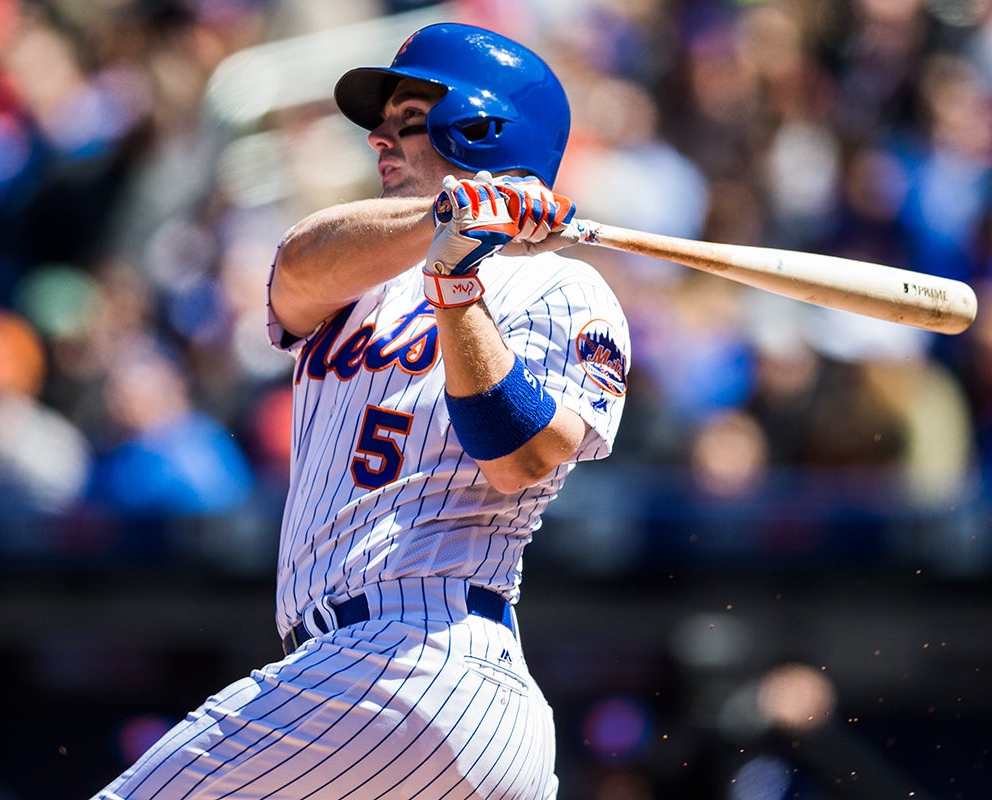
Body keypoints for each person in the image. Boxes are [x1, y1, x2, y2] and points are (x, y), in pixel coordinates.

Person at [92, 21, 631, 799]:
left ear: (482, 131)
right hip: (381, 687)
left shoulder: (565, 288)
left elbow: (520, 458)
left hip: (417, 651)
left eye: (409, 122)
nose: (379, 138)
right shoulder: (364, 264)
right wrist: (449, 221)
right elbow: (296, 270)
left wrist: (457, 288)